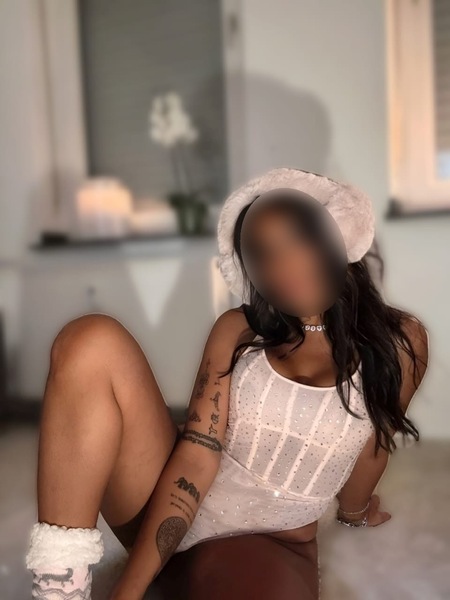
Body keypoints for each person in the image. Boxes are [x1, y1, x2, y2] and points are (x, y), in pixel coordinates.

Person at [25, 167, 429, 600]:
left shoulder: (401, 342)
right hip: (164, 502)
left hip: (267, 540)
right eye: (262, 254)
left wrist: (355, 512)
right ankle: (58, 590)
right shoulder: (237, 329)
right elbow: (197, 454)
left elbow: (372, 446)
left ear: (336, 235)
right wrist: (128, 588)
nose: (282, 264)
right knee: (90, 340)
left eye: (297, 238)